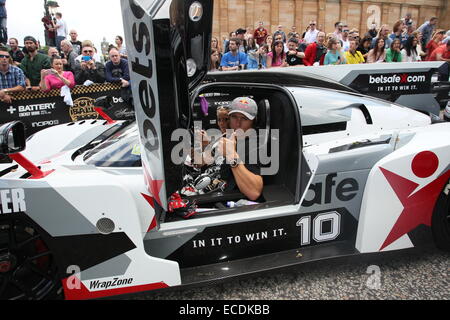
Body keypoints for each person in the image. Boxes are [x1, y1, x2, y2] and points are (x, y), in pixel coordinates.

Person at [215, 97, 263, 201]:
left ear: (254, 121)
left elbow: (254, 192)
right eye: (234, 117)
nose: (238, 123)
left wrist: (231, 155)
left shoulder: (255, 145)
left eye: (244, 119)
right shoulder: (234, 139)